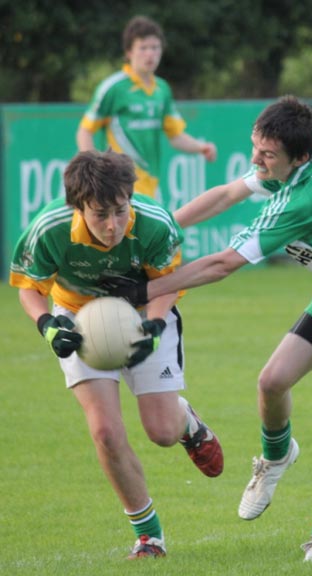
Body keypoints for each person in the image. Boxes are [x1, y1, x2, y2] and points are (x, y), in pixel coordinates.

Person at [101, 95, 312, 563]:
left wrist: (141, 289)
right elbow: (224, 194)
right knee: (271, 382)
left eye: (267, 155)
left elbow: (222, 264)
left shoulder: (307, 197)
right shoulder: (302, 156)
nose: (256, 161)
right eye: (255, 148)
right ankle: (277, 456)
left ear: (298, 157)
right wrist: (152, 228)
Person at [9, 149, 223, 560]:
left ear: (130, 197)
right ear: (78, 208)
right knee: (105, 432)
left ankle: (187, 422)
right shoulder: (49, 228)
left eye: (121, 211)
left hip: (145, 310)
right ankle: (149, 536)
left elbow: (168, 283)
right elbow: (29, 287)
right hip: (76, 316)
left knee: (161, 431)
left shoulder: (156, 223)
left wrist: (157, 325)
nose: (113, 226)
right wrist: (47, 326)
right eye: (100, 214)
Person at [76, 15, 217, 199]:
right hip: (119, 185)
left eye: (155, 47)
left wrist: (201, 147)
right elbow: (84, 131)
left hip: (152, 187)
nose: (150, 54)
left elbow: (175, 136)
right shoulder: (113, 88)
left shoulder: (162, 89)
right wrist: (95, 172)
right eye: (143, 48)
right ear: (129, 52)